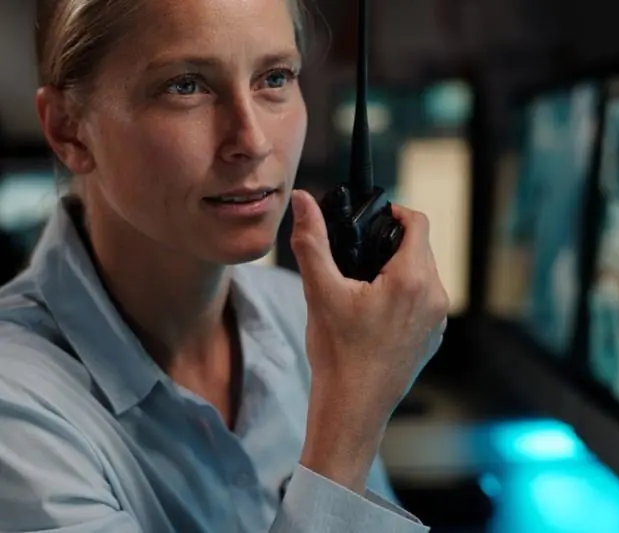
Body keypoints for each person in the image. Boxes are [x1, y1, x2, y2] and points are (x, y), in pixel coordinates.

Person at [0, 0, 449, 532]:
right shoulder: (15, 403)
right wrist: (350, 423)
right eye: (186, 86)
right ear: (69, 129)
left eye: (275, 78)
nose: (253, 142)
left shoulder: (304, 317)